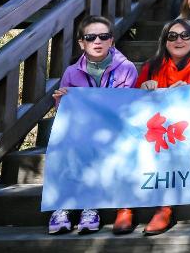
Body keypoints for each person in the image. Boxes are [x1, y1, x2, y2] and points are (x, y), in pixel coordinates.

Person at [47, 16, 138, 235]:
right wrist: (61, 100)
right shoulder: (71, 72)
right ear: (81, 43)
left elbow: (125, 106)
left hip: (115, 130)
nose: (97, 41)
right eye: (90, 37)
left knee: (95, 145)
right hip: (82, 130)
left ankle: (90, 205)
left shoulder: (127, 69)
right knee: (66, 142)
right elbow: (65, 113)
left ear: (111, 41)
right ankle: (63, 206)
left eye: (103, 36)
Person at [131, 18, 190, 235]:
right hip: (156, 129)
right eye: (172, 36)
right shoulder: (151, 66)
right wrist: (144, 88)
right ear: (164, 41)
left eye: (185, 35)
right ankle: (125, 206)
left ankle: (164, 207)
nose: (178, 40)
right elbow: (132, 104)